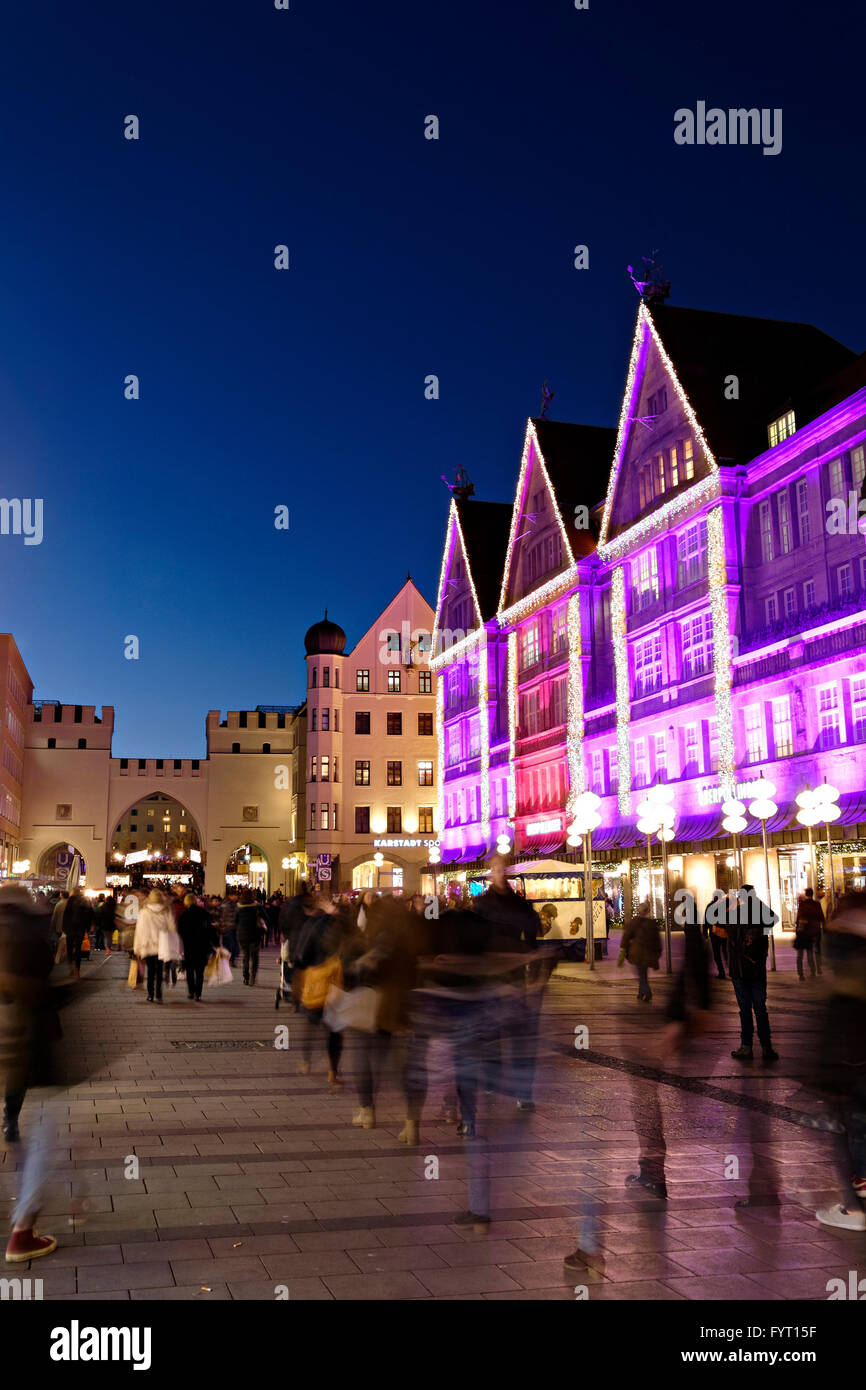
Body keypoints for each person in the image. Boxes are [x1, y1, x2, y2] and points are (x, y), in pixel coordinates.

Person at [0, 884, 59, 1261]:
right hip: (24, 1043)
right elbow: (37, 989)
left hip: (13, 1045)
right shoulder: (26, 935)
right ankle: (22, 1231)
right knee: (48, 1133)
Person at [811, 891, 866, 1230]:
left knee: (850, 1133)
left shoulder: (846, 952)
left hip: (851, 1065)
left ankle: (856, 1210)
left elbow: (838, 1017)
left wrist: (825, 1073)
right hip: (852, 1063)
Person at [473, 855, 541, 1113]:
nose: (499, 872)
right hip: (490, 975)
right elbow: (475, 941)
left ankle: (523, 1091)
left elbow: (531, 935)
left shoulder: (518, 904)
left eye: (502, 868)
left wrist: (534, 962)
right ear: (490, 872)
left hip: (513, 975)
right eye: (494, 868)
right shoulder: (481, 904)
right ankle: (492, 1079)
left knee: (519, 1035)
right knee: (491, 1033)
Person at [294, 897, 353, 1085]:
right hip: (338, 984)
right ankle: (332, 1072)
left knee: (311, 1025)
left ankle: (305, 1061)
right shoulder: (345, 926)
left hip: (317, 983)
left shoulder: (312, 925)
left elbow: (303, 954)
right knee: (335, 1031)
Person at [723, 885, 779, 1062]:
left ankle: (746, 1046)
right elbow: (773, 919)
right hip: (756, 969)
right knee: (760, 1009)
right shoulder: (760, 911)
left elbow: (725, 929)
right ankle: (766, 1047)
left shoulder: (734, 914)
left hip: (739, 969)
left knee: (745, 1009)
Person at [133, 889, 175, 1003]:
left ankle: (150, 994)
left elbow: (139, 931)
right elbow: (172, 929)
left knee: (150, 971)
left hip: (148, 946)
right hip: (162, 946)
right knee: (159, 970)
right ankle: (159, 994)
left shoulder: (144, 912)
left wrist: (137, 948)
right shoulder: (166, 911)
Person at [618, 900, 662, 1002]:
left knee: (641, 974)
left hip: (637, 952)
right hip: (649, 953)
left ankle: (647, 992)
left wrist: (622, 949)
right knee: (643, 973)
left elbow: (626, 937)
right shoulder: (652, 924)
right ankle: (641, 993)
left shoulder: (634, 922)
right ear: (647, 911)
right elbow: (657, 940)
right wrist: (658, 953)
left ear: (639, 911)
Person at [178, 893, 218, 1001]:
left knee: (190, 970)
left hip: (189, 946)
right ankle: (198, 994)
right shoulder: (204, 913)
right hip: (202, 946)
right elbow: (210, 930)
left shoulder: (184, 915)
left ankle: (191, 992)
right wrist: (216, 943)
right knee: (200, 972)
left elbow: (180, 931)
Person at [236, 888, 267, 986]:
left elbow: (235, 920)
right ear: (252, 895)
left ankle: (245, 977)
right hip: (255, 934)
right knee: (254, 957)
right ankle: (253, 976)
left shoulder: (238, 906)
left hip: (242, 934)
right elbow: (266, 917)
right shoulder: (257, 906)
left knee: (246, 956)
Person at [794, 887, 824, 981]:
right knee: (811, 952)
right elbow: (821, 917)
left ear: (806, 894)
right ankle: (813, 971)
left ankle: (801, 974)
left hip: (803, 933)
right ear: (812, 894)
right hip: (814, 931)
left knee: (800, 955)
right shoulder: (817, 904)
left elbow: (798, 919)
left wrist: (798, 930)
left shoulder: (803, 905)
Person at [62, 889, 92, 978]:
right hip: (80, 929)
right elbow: (88, 916)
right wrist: (87, 928)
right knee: (78, 949)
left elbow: (66, 915)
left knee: (70, 948)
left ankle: (70, 966)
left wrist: (64, 928)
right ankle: (77, 970)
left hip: (70, 929)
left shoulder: (70, 901)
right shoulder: (84, 901)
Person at [219, 890, 240, 966]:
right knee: (231, 944)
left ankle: (231, 959)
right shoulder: (226, 905)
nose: (236, 897)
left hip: (233, 927)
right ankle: (230, 959)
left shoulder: (235, 904)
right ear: (230, 896)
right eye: (235, 895)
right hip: (228, 927)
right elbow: (221, 916)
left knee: (233, 945)